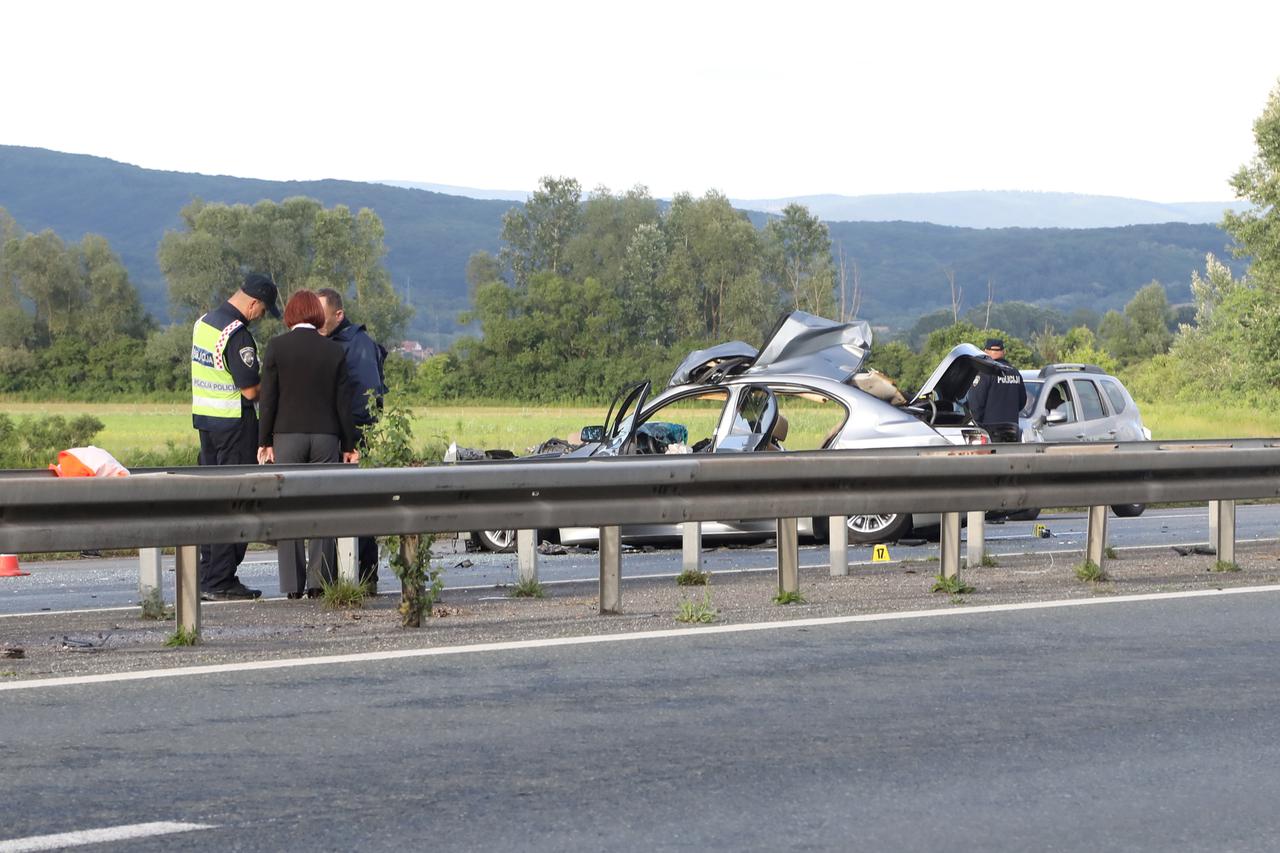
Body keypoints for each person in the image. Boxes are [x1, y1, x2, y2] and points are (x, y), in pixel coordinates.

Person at [258, 289, 359, 599]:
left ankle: (291, 586)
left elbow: (268, 399)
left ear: (290, 315)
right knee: (322, 507)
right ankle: (319, 582)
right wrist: (349, 444)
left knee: (289, 509)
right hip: (326, 438)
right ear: (316, 313)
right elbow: (344, 403)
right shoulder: (333, 351)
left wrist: (264, 442)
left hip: (287, 436)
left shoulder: (276, 347)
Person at [191, 272, 280, 600]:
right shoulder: (237, 334)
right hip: (234, 427)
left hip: (206, 425)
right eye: (263, 311)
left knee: (213, 503)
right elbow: (250, 388)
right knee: (237, 502)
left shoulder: (204, 323)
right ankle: (221, 580)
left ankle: (207, 575)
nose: (261, 317)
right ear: (254, 302)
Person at [317, 287, 387, 592]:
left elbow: (366, 398)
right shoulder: (339, 340)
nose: (317, 323)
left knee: (358, 506)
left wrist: (353, 440)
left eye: (321, 316)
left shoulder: (355, 344)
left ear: (339, 314)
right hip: (341, 434)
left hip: (354, 436)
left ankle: (366, 577)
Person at [968, 337, 1027, 443]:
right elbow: (1022, 401)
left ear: (985, 351)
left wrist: (976, 424)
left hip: (989, 433)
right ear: (1003, 352)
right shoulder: (1015, 373)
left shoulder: (985, 373)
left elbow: (975, 404)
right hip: (1012, 431)